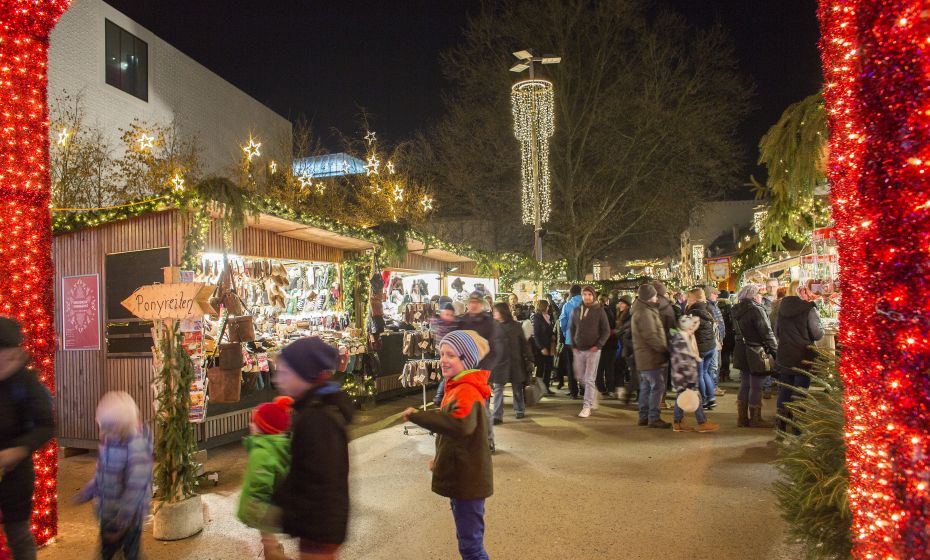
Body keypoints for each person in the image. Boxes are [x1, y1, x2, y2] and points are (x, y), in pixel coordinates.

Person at [403, 331, 493, 560]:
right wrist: (440, 460)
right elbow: (453, 434)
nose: (443, 359)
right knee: (469, 542)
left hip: (468, 480)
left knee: (471, 547)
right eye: (441, 353)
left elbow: (459, 425)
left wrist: (418, 416)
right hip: (465, 477)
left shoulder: (465, 390)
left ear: (466, 360)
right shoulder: (458, 387)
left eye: (451, 355)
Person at [272, 337, 355, 559]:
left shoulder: (317, 417)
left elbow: (321, 480)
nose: (277, 379)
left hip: (319, 527)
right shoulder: (314, 409)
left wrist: (281, 500)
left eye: (285, 372)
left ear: (305, 375)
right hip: (318, 525)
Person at [75, 391, 153, 560]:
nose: (104, 433)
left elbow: (136, 488)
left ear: (124, 425)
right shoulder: (108, 442)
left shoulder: (136, 446)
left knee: (131, 553)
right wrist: (89, 491)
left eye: (110, 428)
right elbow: (102, 473)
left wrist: (122, 520)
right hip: (108, 512)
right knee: (106, 552)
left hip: (129, 517)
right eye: (103, 427)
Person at [0, 317, 54, 560]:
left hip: (16, 474)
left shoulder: (26, 381)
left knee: (18, 533)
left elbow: (46, 426)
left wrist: (19, 450)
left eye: (10, 356)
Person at [237, 396, 294, 557]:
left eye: (253, 422)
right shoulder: (277, 444)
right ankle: (274, 549)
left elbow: (259, 481)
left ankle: (275, 554)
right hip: (272, 502)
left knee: (268, 540)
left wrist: (255, 507)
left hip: (263, 507)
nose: (250, 425)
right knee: (268, 538)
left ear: (262, 428)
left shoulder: (262, 451)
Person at [774, 281, 824, 433]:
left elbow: (776, 332)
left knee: (785, 389)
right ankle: (797, 427)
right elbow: (817, 333)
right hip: (803, 354)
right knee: (800, 390)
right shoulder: (809, 308)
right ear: (801, 292)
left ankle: (781, 425)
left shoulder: (780, 308)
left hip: (784, 354)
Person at [731, 285, 778, 429]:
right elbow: (766, 332)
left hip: (741, 349)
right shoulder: (756, 310)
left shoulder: (736, 309)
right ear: (752, 295)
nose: (760, 296)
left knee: (745, 383)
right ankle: (755, 419)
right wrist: (775, 351)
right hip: (756, 350)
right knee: (756, 385)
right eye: (758, 293)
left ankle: (742, 418)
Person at [461, 292, 500, 451]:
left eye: (476, 302)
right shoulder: (462, 321)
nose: (474, 305)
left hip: (482, 371)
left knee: (483, 408)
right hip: (465, 371)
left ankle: (488, 440)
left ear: (481, 304)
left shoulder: (489, 322)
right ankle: (468, 441)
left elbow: (495, 347)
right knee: (465, 407)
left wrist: (487, 369)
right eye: (471, 302)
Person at [670, 316, 720, 433]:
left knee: (681, 397)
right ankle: (702, 423)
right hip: (685, 376)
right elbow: (684, 362)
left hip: (681, 376)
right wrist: (691, 379)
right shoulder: (682, 340)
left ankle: (678, 422)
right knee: (695, 397)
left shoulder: (682, 337)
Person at [631, 284, 671, 428]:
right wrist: (664, 350)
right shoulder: (645, 313)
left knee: (646, 388)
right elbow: (651, 336)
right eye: (654, 295)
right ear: (649, 297)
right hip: (651, 357)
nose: (656, 298)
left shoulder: (643, 310)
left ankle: (643, 416)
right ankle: (653, 417)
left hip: (644, 357)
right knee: (657, 387)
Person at [571, 286, 611, 418]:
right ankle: (593, 393)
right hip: (578, 349)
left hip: (593, 350)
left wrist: (599, 345)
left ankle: (587, 406)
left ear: (593, 296)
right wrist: (573, 344)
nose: (587, 297)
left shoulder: (599, 311)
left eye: (589, 294)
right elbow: (572, 328)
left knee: (589, 379)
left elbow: (606, 330)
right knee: (580, 376)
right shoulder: (576, 310)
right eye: (585, 294)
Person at [490, 303, 533, 423]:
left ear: (503, 312)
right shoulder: (493, 326)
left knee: (517, 388)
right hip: (499, 362)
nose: (494, 314)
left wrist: (530, 358)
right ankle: (497, 415)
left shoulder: (516, 326)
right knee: (498, 389)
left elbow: (524, 344)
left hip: (515, 361)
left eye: (496, 311)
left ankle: (519, 409)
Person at [685, 288, 719, 411]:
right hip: (710, 346)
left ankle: (703, 400)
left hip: (700, 348)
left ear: (694, 298)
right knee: (705, 373)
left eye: (689, 297)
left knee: (699, 374)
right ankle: (711, 399)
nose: (687, 299)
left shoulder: (692, 312)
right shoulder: (708, 307)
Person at [431, 303, 461, 406]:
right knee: (449, 376)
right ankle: (439, 396)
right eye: (447, 314)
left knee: (450, 375)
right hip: (444, 354)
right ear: (442, 313)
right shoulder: (438, 323)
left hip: (452, 354)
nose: (449, 317)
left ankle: (443, 397)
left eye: (451, 315)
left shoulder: (455, 323)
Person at [558, 285, 584, 399]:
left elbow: (562, 321)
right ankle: (584, 389)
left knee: (571, 366)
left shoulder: (567, 305)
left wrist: (565, 333)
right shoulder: (587, 304)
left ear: (571, 293)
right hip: (585, 340)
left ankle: (573, 391)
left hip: (570, 340)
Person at [596, 293, 619, 398]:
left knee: (599, 368)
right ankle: (610, 388)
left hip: (599, 343)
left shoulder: (596, 312)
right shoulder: (609, 311)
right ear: (607, 301)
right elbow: (612, 326)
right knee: (609, 367)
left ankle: (600, 388)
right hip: (610, 343)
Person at [531, 299, 556, 395]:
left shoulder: (547, 317)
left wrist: (552, 334)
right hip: (541, 348)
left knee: (548, 368)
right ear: (543, 307)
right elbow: (536, 334)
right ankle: (539, 389)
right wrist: (541, 347)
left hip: (549, 346)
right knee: (541, 369)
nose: (548, 308)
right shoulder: (537, 317)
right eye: (547, 306)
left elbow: (549, 329)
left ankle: (546, 387)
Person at [705, 286, 726, 398]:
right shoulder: (708, 306)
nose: (717, 295)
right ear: (709, 294)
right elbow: (714, 325)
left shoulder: (713, 305)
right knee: (714, 366)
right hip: (714, 341)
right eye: (714, 293)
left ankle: (714, 386)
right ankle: (712, 387)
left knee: (716, 365)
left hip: (718, 340)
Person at [616, 295, 637, 405]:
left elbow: (626, 330)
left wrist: (617, 332)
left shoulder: (629, 315)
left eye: (623, 303)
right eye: (620, 303)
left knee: (633, 372)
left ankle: (628, 394)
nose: (620, 305)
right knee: (626, 369)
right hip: (623, 346)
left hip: (629, 347)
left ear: (628, 305)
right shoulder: (621, 314)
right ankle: (625, 392)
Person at [717, 289, 735, 382]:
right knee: (726, 354)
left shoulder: (715, 305)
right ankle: (726, 374)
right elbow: (732, 321)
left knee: (719, 354)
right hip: (728, 333)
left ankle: (719, 374)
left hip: (718, 334)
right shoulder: (729, 306)